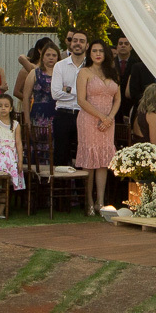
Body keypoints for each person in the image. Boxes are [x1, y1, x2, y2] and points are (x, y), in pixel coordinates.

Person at [76, 38, 120, 215]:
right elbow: (81, 100)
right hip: (89, 119)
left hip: (108, 122)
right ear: (89, 53)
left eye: (101, 51)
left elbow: (117, 98)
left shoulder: (112, 72)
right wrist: (101, 116)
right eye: (94, 51)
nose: (98, 54)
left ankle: (100, 202)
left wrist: (110, 117)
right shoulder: (84, 73)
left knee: (102, 161)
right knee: (90, 160)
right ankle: (88, 202)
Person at [51, 29, 88, 166]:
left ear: (87, 45)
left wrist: (67, 89)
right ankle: (60, 186)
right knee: (61, 156)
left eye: (82, 41)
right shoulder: (60, 66)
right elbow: (55, 94)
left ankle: (80, 187)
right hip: (63, 115)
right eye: (75, 40)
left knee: (83, 156)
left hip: (84, 115)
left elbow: (91, 95)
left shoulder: (91, 67)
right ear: (70, 43)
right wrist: (81, 93)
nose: (78, 44)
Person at [14, 37, 53, 108]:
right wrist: (30, 99)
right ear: (39, 51)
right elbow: (16, 92)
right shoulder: (28, 69)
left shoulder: (54, 69)